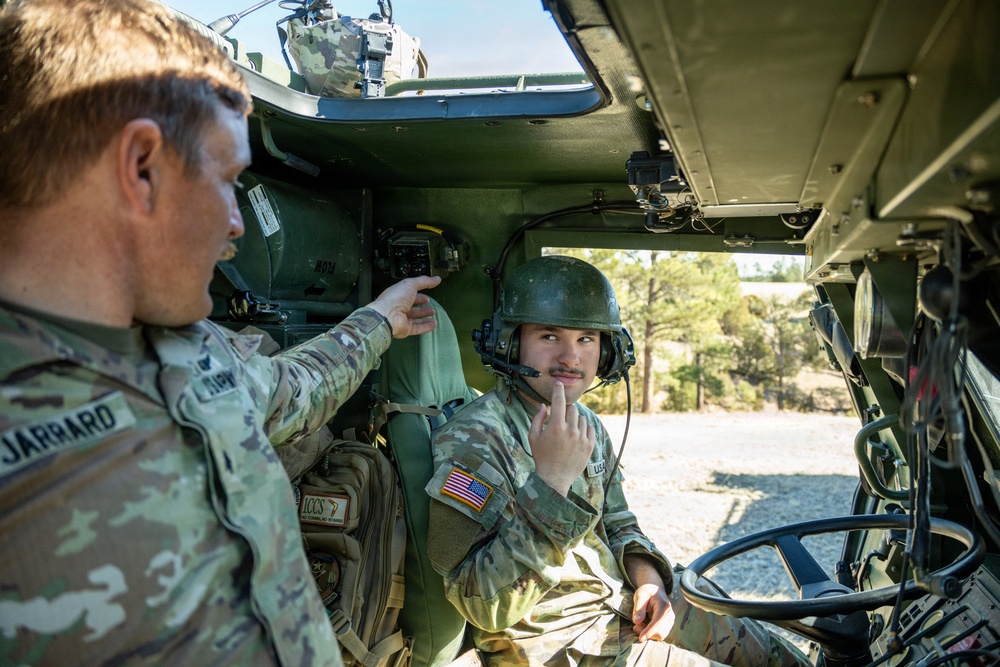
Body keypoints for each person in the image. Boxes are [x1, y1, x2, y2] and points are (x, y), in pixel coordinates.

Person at [0, 1, 439, 665]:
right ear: (141, 166)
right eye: (230, 180)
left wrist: (379, 319)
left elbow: (293, 389)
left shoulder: (194, 346)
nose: (237, 223)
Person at [425, 255, 809, 666]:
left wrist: (648, 580)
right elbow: (482, 607)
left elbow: (619, 524)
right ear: (509, 342)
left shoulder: (585, 424)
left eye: (587, 339)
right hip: (552, 644)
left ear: (608, 352)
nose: (571, 358)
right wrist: (551, 482)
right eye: (550, 337)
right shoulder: (473, 441)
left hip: (616, 605)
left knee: (753, 639)